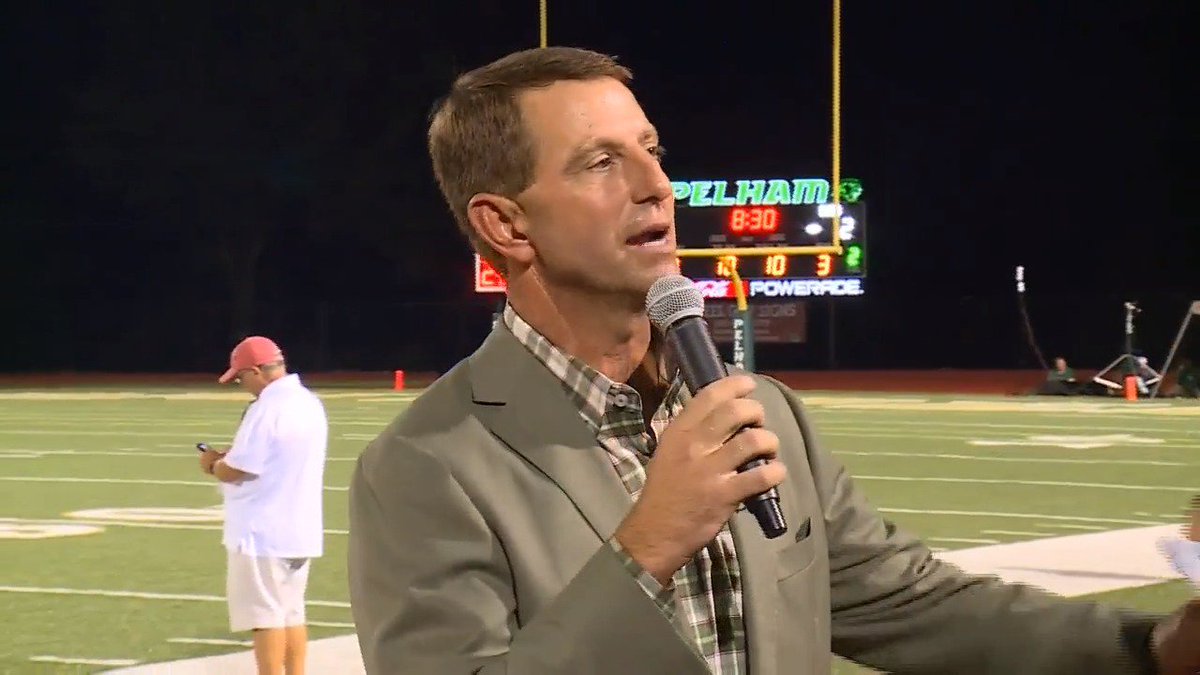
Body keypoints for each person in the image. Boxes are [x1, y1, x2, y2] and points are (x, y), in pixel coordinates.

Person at [346, 47, 1200, 674]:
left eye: (651, 150)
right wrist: (647, 546)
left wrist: (1157, 646)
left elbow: (910, 600)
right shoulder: (425, 466)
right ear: (505, 224)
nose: (655, 184)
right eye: (602, 162)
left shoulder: (763, 408)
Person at [200, 335, 328, 675]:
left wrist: (213, 464)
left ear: (256, 371)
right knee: (292, 613)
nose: (242, 385)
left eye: (241, 378)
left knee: (266, 617)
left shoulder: (268, 408)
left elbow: (239, 468)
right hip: (299, 526)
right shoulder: (308, 402)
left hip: (262, 531)